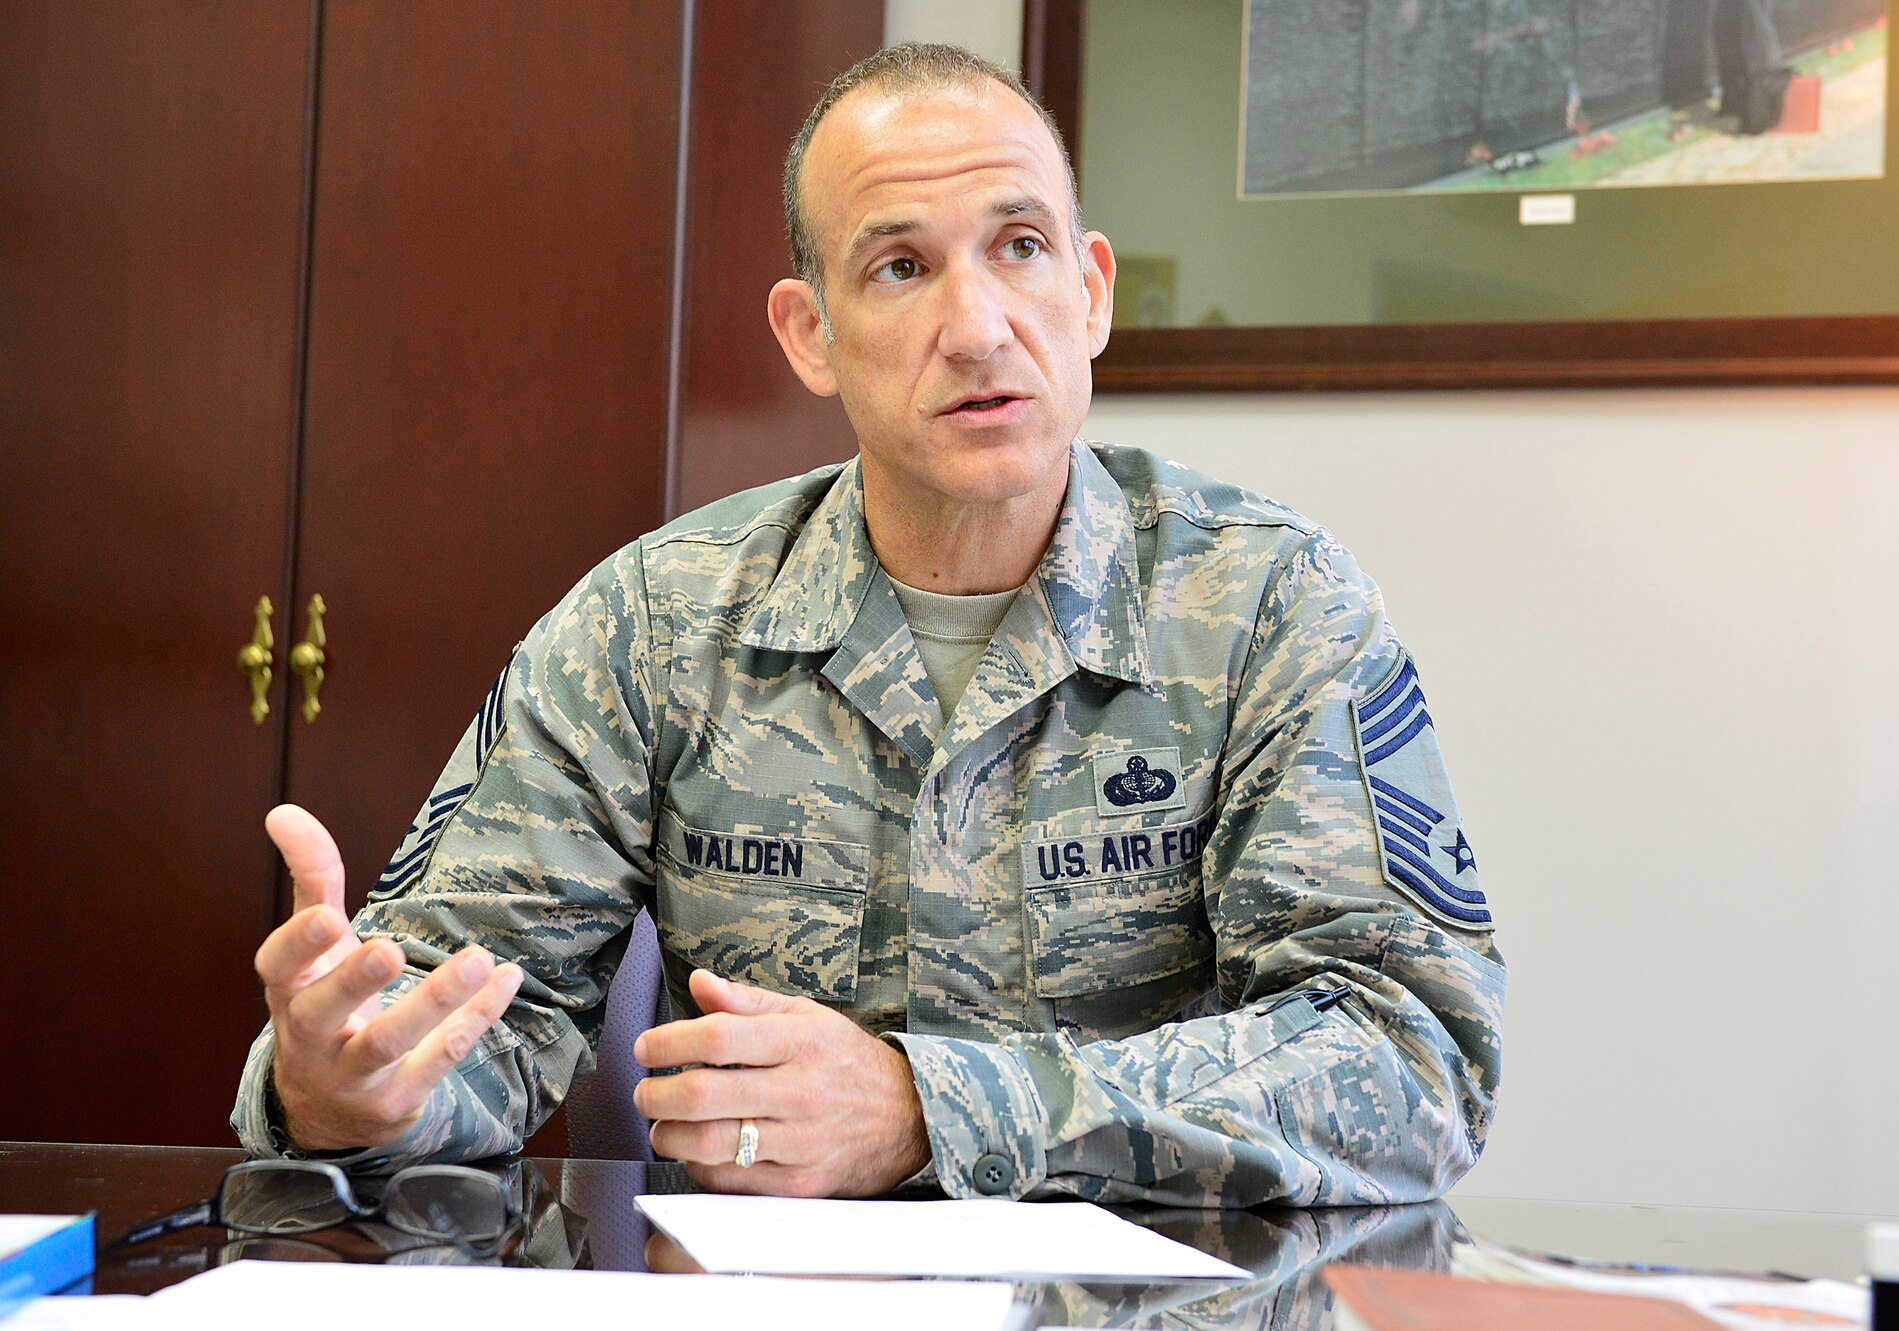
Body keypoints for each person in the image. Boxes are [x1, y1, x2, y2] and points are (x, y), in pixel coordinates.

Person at [233, 43, 1504, 1206]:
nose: (978, 327)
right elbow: (457, 1020)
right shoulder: (654, 622)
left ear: (1091, 289)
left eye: (1018, 247)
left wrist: (924, 1107)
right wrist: (343, 1093)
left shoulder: (1266, 604)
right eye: (899, 267)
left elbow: (1408, 1056)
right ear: (810, 334)